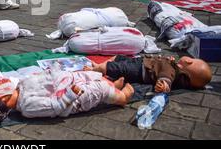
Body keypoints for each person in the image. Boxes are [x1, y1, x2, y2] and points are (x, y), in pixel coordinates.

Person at [0, 66, 134, 123]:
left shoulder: (19, 88)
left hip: (64, 83)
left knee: (84, 74)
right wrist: (68, 94)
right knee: (100, 90)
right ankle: (122, 98)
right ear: (1, 98)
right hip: (74, 98)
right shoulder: (28, 107)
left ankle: (109, 83)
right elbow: (56, 107)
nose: (3, 80)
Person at [84, 55, 212, 93]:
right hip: (142, 62)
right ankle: (100, 68)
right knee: (118, 58)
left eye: (193, 59)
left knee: (116, 67)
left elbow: (166, 78)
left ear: (189, 62)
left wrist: (164, 85)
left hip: (140, 70)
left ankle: (95, 70)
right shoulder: (174, 67)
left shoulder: (172, 71)